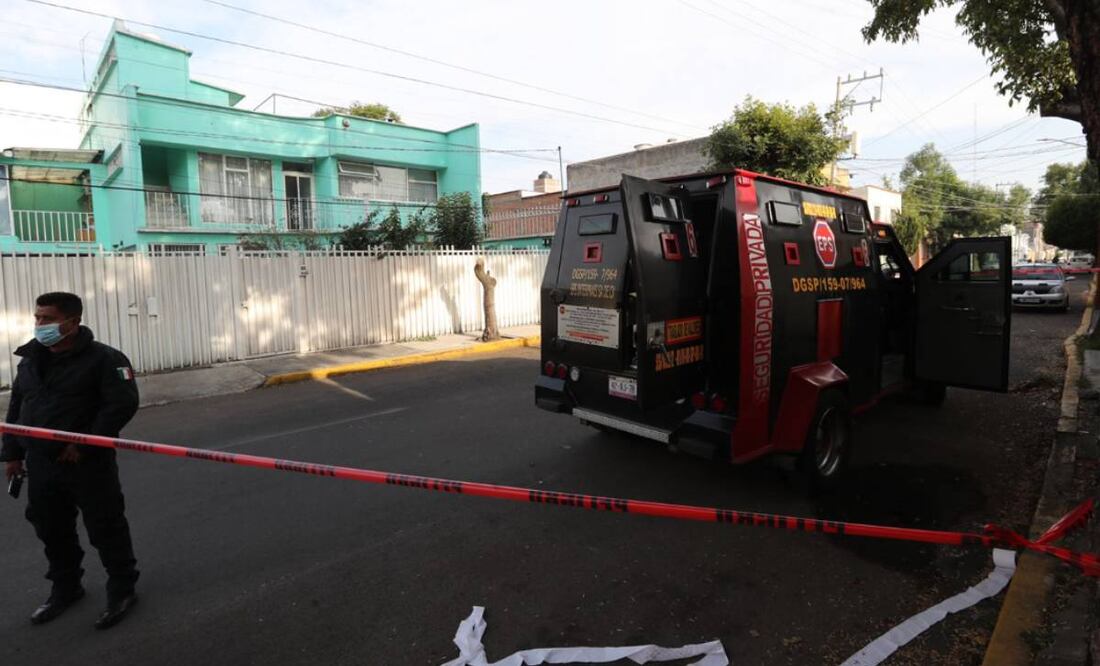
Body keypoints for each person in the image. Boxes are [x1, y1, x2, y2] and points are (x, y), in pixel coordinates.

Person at [1, 292, 141, 630]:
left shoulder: (105, 359)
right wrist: (13, 453)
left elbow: (121, 404)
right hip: (42, 463)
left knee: (105, 527)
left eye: (47, 319)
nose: (39, 325)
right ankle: (66, 587)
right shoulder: (31, 359)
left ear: (73, 322)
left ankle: (122, 588)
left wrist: (85, 444)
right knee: (51, 529)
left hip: (87, 464)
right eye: (37, 318)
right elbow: (18, 407)